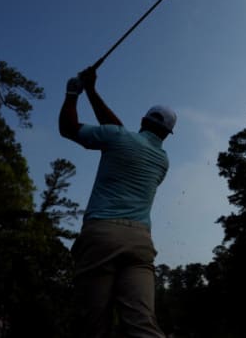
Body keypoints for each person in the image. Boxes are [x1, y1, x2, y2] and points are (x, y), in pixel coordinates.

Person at [60, 68, 176, 338]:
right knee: (141, 325)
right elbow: (119, 132)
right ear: (167, 134)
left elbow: (68, 128)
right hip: (139, 241)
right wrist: (92, 91)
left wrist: (73, 93)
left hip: (101, 235)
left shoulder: (117, 137)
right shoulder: (163, 161)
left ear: (143, 120)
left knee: (93, 325)